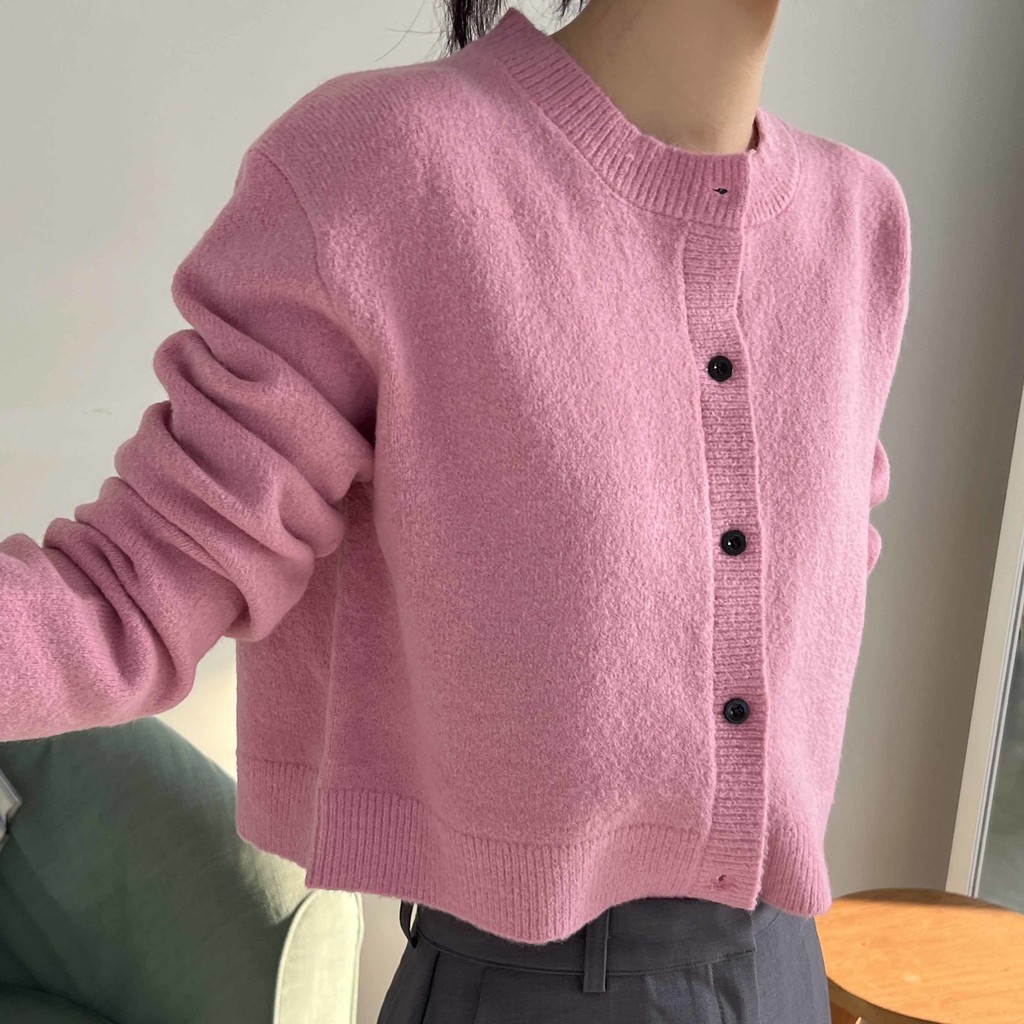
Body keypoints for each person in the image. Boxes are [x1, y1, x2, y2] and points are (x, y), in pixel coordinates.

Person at [1, 0, 911, 1020]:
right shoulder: (392, 166)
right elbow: (130, 592)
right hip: (534, 990)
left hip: (784, 970)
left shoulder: (857, 220)